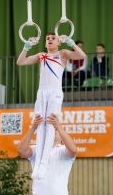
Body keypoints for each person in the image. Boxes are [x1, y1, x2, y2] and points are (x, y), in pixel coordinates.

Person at [17, 32, 85, 179]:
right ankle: (39, 163)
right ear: (45, 43)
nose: (50, 40)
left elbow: (81, 56)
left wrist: (70, 41)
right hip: (42, 92)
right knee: (40, 124)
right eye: (47, 39)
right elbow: (20, 62)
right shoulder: (41, 56)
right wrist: (27, 46)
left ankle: (44, 163)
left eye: (53, 38)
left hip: (55, 92)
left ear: (58, 42)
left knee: (50, 124)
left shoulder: (63, 53)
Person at [18, 114, 77, 195]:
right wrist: (33, 128)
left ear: (62, 138)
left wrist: (59, 127)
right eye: (50, 129)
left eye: (55, 129)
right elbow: (21, 150)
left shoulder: (62, 150)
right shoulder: (37, 149)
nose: (53, 131)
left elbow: (73, 150)